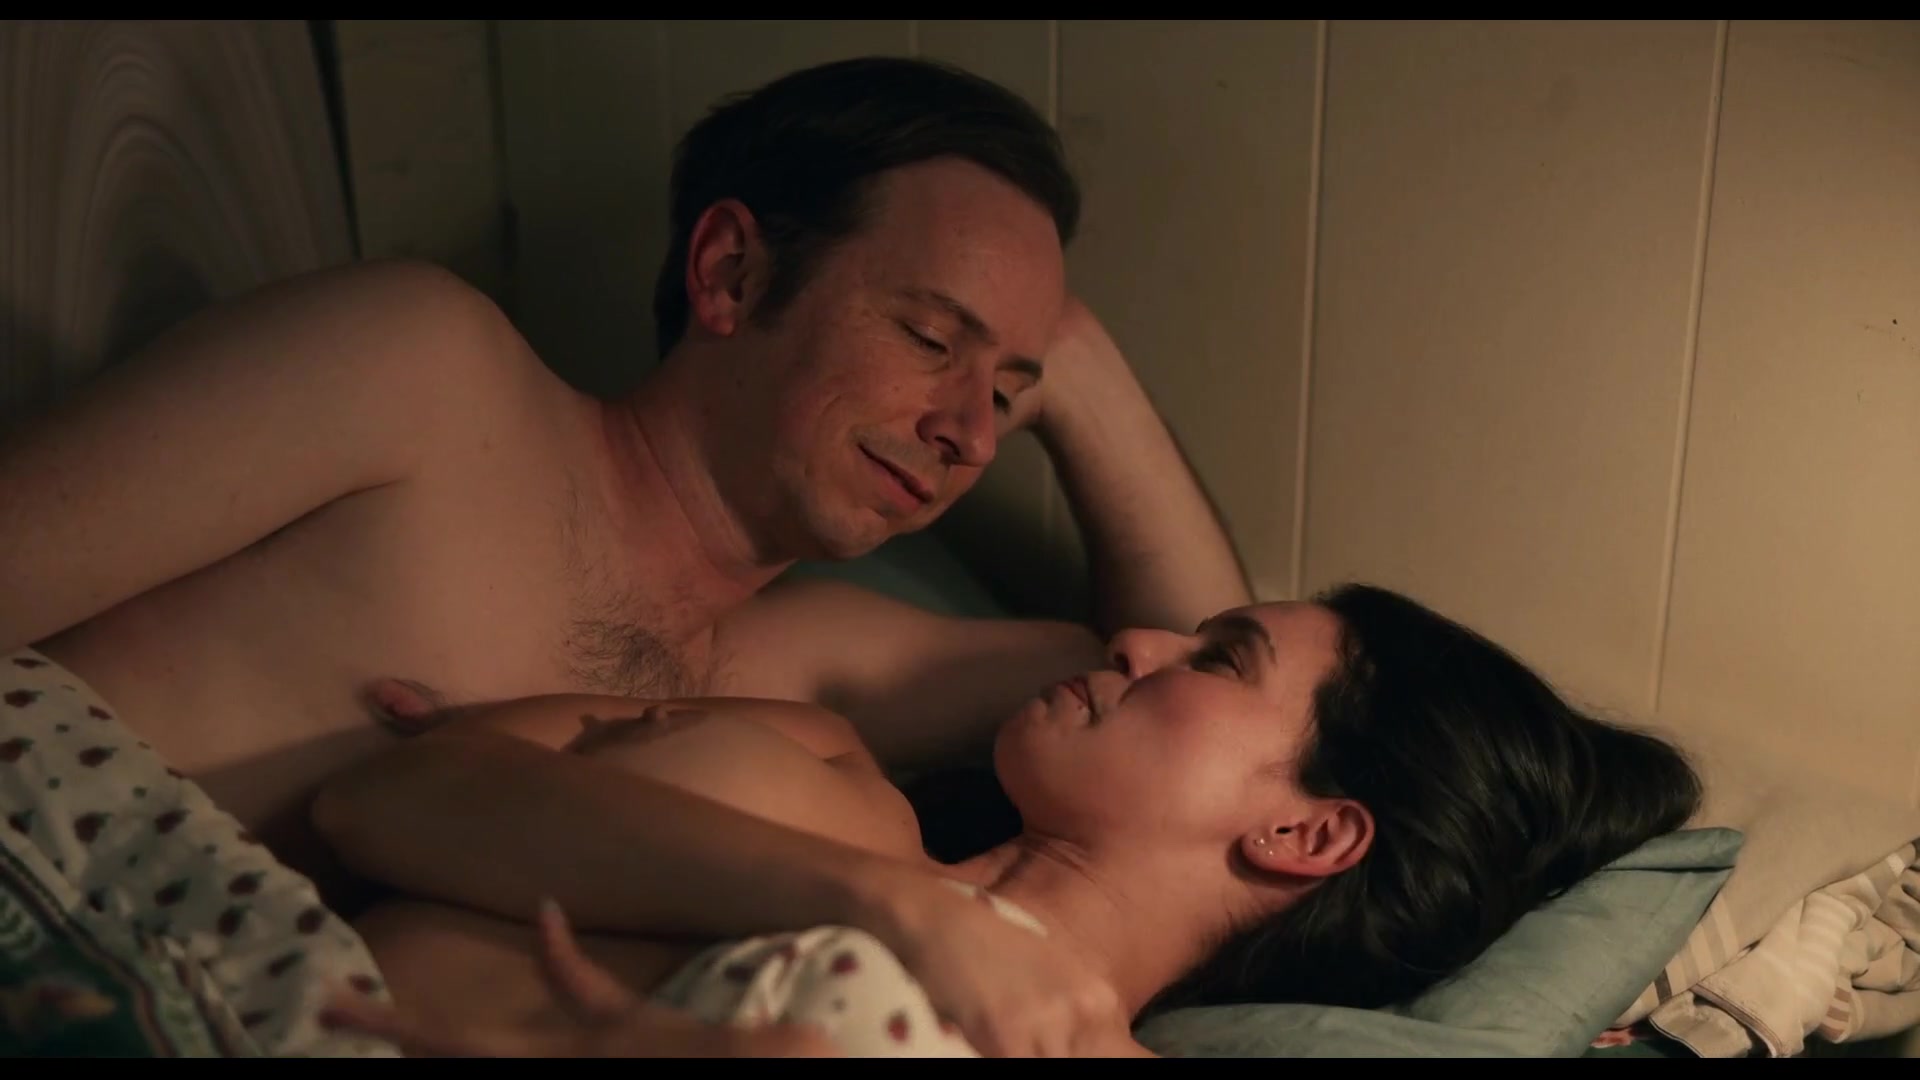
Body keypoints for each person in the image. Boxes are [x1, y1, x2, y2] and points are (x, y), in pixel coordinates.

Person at [0, 57, 1245, 1055]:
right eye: (930, 338)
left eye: (1009, 391)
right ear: (729, 271)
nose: (971, 432)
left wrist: (1082, 369)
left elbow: (1213, 690)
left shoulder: (798, 675)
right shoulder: (425, 377)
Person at [310, 584, 1704, 1057]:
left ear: (1307, 836)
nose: (1140, 639)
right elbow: (378, 798)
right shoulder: (823, 759)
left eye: (1219, 659)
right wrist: (888, 902)